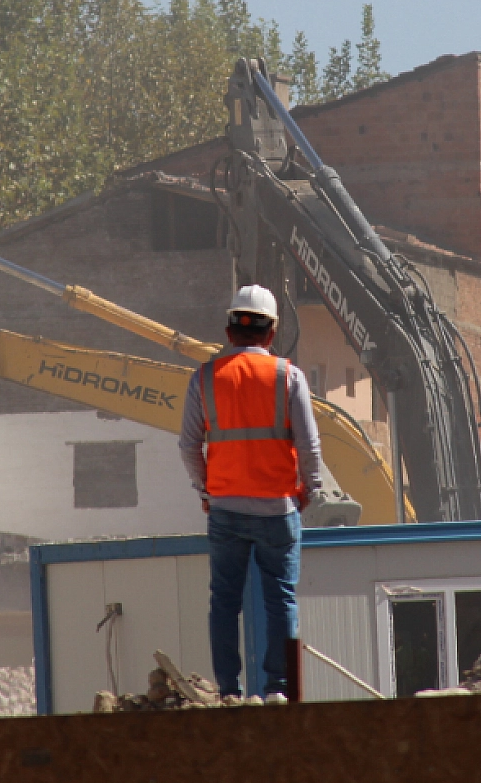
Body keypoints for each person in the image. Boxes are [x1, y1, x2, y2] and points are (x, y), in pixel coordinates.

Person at [179, 284, 323, 700]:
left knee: (224, 600)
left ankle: (228, 690)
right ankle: (280, 689)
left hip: (224, 508)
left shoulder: (205, 379)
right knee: (280, 598)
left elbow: (189, 445)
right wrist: (309, 488)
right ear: (272, 331)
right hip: (278, 507)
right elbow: (310, 445)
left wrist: (205, 487)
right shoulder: (287, 377)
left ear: (228, 331)